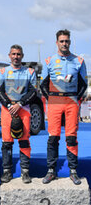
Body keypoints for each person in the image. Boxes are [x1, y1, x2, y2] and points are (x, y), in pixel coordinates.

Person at [40, 29, 87, 185]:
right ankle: (51, 171)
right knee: (53, 137)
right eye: (62, 41)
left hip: (72, 103)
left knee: (71, 137)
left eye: (67, 41)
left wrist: (76, 99)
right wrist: (52, 98)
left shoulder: (79, 61)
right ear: (57, 42)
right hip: (54, 103)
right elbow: (43, 84)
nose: (64, 43)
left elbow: (84, 84)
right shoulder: (49, 61)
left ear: (70, 42)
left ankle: (73, 171)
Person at [0, 44, 37, 183]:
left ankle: (25, 171)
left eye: (18, 54)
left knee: (24, 140)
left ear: (22, 56)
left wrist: (20, 103)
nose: (16, 57)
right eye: (13, 54)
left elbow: (33, 92)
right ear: (9, 56)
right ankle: (7, 171)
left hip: (23, 109)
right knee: (7, 142)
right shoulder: (2, 71)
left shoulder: (30, 72)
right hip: (7, 110)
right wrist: (9, 105)